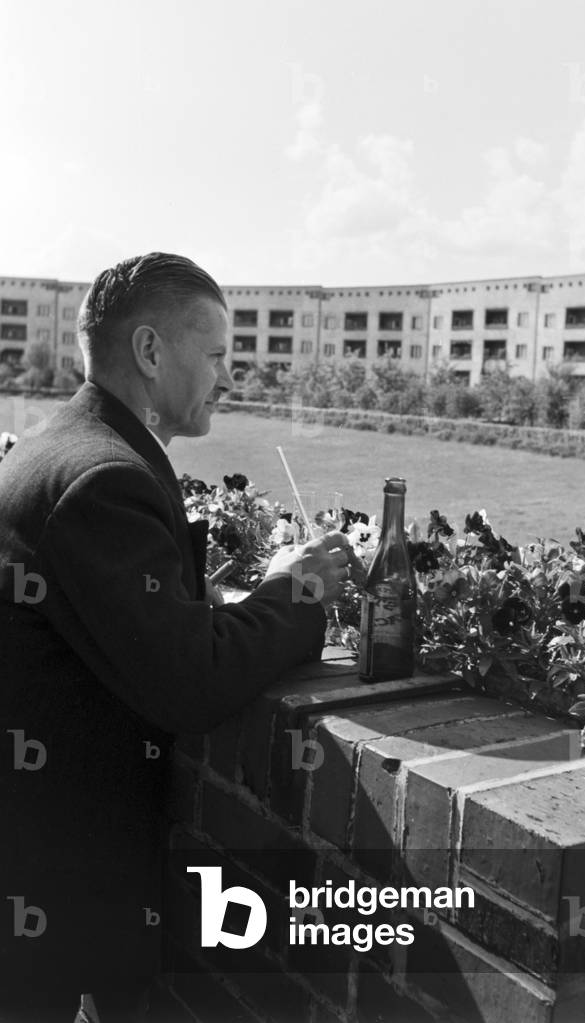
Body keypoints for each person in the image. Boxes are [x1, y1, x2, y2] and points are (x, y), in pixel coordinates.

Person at [0, 253, 356, 1021]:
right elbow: (190, 679)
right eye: (218, 354)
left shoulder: (53, 443)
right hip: (51, 876)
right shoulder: (104, 478)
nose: (228, 376)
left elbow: (140, 622)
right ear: (152, 351)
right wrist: (292, 591)